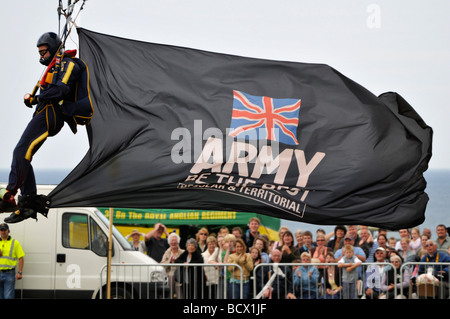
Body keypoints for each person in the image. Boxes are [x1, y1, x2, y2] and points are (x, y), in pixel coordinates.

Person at [1, 32, 93, 223]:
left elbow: (61, 89)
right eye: (39, 53)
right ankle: (29, 202)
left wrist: (36, 98)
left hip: (51, 114)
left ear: (53, 50)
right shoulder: (56, 66)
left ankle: (10, 194)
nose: (41, 56)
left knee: (21, 150)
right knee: (25, 156)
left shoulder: (68, 64)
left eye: (43, 52)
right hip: (44, 112)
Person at [0, 223, 24, 299]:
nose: (3, 232)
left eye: (5, 230)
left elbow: (21, 258)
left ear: (8, 231)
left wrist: (19, 272)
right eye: (1, 230)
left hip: (9, 274)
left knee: (8, 297)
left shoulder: (15, 243)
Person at [161, 232, 185, 298]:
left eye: (175, 240)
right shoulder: (167, 252)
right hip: (169, 276)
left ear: (178, 242)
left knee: (175, 279)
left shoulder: (183, 252)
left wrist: (178, 261)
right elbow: (162, 264)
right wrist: (169, 261)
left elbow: (186, 264)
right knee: (171, 276)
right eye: (172, 241)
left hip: (180, 276)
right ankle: (170, 296)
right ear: (169, 243)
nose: (173, 242)